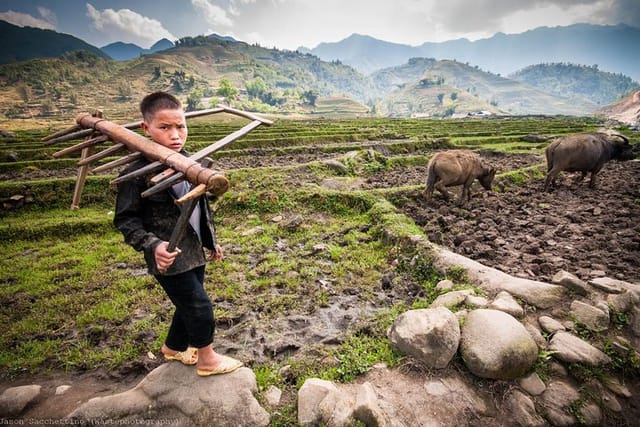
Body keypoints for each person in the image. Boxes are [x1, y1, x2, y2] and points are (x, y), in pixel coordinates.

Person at [113, 91, 243, 376]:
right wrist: (153, 245)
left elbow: (200, 207)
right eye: (165, 127)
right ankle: (206, 360)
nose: (175, 134)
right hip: (168, 256)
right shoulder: (135, 174)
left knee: (187, 303)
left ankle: (173, 348)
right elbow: (125, 220)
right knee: (200, 306)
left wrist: (211, 241)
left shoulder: (189, 162)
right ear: (145, 129)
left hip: (193, 249)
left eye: (180, 126)